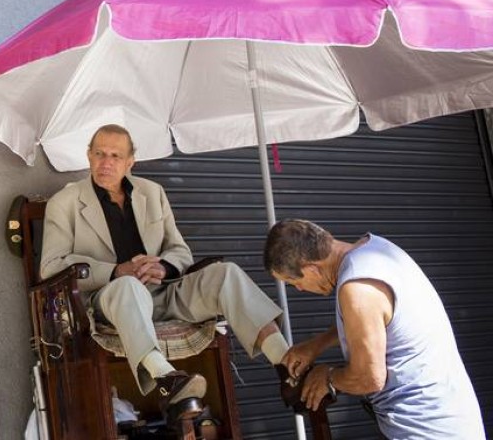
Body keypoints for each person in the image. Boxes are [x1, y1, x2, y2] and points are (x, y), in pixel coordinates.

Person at [39, 124, 291, 415]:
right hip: (109, 301)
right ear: (88, 155)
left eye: (115, 156)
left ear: (130, 161)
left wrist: (165, 266)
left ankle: (287, 365)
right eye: (99, 154)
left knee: (226, 273)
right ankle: (166, 380)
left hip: (164, 292)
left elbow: (180, 250)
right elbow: (51, 266)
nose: (106, 162)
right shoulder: (65, 203)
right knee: (128, 286)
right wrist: (115, 271)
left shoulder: (153, 192)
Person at [264, 219, 485, 439]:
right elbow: (378, 320)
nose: (300, 289)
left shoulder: (356, 289)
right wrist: (317, 344)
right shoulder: (376, 251)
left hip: (425, 430)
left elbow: (369, 378)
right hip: (454, 419)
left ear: (311, 268)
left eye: (294, 281)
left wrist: (328, 378)